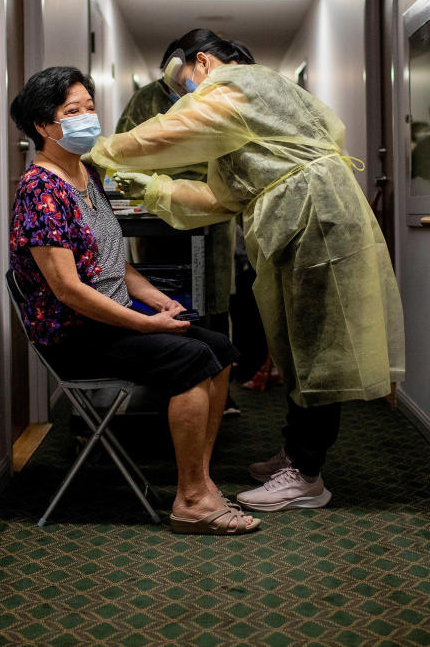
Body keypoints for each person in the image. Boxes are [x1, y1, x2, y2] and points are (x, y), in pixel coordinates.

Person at [90, 29, 405, 513]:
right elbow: (223, 198)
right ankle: (298, 453)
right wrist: (151, 190)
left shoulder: (240, 84)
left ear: (201, 62)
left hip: (313, 220)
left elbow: (171, 133)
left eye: (185, 80)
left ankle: (307, 476)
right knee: (299, 345)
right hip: (304, 217)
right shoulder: (254, 110)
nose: (185, 93)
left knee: (316, 348)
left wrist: (102, 151)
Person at [8, 65, 259, 535]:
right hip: (75, 334)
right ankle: (190, 502)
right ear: (43, 127)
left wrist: (159, 302)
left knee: (220, 350)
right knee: (190, 361)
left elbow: (116, 264)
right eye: (72, 111)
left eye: (88, 106)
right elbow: (67, 289)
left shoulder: (85, 173)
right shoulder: (40, 190)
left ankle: (200, 480)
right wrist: (143, 324)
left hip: (111, 321)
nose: (87, 117)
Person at [116, 33, 248, 414]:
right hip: (157, 211)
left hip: (210, 211)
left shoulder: (220, 98)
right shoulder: (148, 99)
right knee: (165, 295)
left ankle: (219, 387)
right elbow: (128, 146)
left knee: (213, 298)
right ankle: (171, 381)